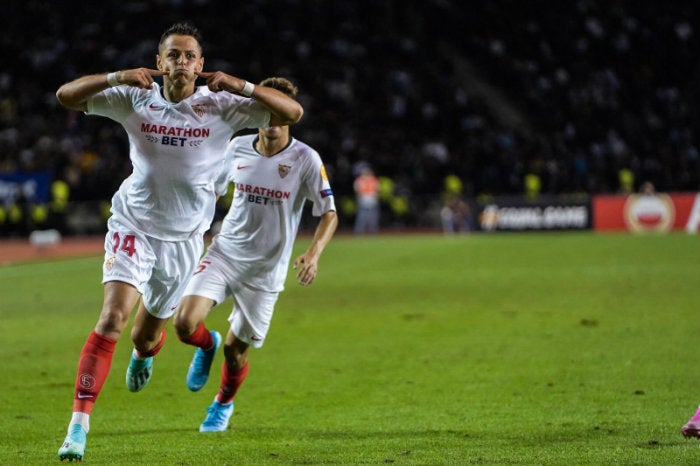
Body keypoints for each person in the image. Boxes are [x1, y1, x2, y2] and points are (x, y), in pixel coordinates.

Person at [56, 22, 303, 462]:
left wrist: (242, 85)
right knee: (112, 318)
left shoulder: (224, 106)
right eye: (173, 55)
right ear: (159, 62)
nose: (181, 63)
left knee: (145, 337)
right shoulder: (135, 99)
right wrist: (115, 76)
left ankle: (146, 352)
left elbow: (292, 114)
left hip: (184, 240)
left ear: (201, 65)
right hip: (134, 225)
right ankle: (78, 427)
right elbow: (66, 96)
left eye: (190, 56)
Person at [172, 77, 338, 432]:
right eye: (268, 112)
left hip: (266, 271)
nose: (274, 121)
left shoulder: (306, 159)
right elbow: (211, 192)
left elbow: (329, 212)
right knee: (184, 324)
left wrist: (313, 253)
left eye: (281, 114)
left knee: (236, 353)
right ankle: (206, 344)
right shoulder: (237, 147)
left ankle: (222, 404)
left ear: (291, 118)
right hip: (225, 252)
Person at [353, 165, 380, 234]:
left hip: (364, 199)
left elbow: (357, 190)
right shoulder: (373, 179)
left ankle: (360, 231)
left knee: (363, 216)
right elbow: (377, 190)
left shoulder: (360, 179)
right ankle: (370, 231)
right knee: (369, 216)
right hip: (370, 199)